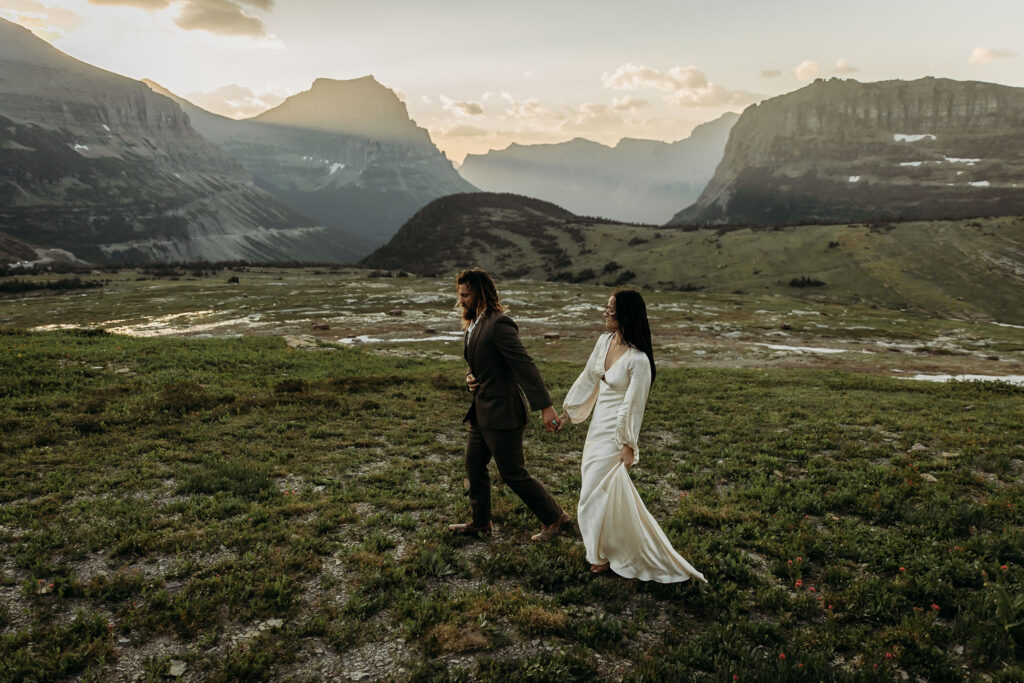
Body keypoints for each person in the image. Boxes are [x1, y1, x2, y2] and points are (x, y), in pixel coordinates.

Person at [559, 289, 706, 582]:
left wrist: (627, 444)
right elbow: (588, 379)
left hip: (614, 436)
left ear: (625, 314)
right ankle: (605, 547)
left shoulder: (638, 361)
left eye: (611, 308)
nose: (605, 312)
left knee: (594, 495)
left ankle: (598, 555)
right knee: (590, 488)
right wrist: (568, 413)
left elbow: (633, 406)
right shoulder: (603, 342)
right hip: (596, 431)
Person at [448, 268, 572, 542]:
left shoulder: (499, 324)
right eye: (460, 296)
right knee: (474, 466)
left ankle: (556, 518)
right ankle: (481, 524)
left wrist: (545, 406)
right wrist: (471, 377)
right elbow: (481, 364)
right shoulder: (475, 324)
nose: (461, 301)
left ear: (479, 294)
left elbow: (523, 365)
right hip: (481, 412)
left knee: (513, 474)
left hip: (504, 413)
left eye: (465, 295)